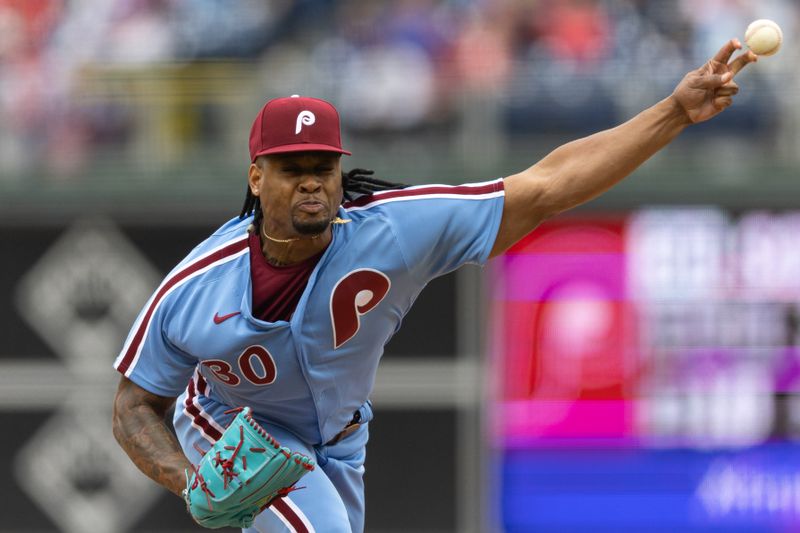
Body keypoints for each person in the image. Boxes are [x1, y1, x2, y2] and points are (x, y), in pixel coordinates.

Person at [112, 39, 757, 532]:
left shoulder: (393, 228)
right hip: (238, 422)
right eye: (290, 169)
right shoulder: (198, 284)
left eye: (322, 167)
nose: (310, 181)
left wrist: (673, 112)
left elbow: (546, 185)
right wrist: (190, 478)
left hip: (341, 437)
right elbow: (134, 404)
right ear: (256, 178)